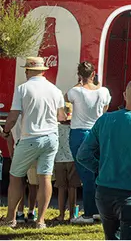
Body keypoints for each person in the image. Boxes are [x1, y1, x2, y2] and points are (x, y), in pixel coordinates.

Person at [75, 79, 131, 241]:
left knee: (110, 236)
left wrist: (100, 168)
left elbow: (82, 155)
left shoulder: (105, 120)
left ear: (124, 96)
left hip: (104, 191)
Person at [4, 56, 64, 231]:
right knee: (44, 177)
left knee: (16, 176)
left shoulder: (22, 89)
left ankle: (11, 218)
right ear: (43, 71)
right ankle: (41, 220)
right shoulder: (55, 90)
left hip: (30, 137)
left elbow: (13, 116)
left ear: (27, 71)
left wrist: (6, 131)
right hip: (51, 137)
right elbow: (61, 116)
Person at [66, 61, 109, 226]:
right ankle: (99, 210)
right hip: (97, 133)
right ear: (93, 74)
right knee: (98, 172)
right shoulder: (104, 91)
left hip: (79, 133)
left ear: (79, 75)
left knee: (86, 175)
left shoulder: (75, 91)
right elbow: (105, 109)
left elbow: (65, 99)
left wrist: (80, 82)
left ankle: (89, 213)